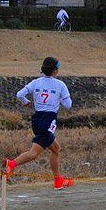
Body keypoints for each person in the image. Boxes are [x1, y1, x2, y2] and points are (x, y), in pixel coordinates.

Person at [6, 57, 74, 190]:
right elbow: (68, 105)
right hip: (49, 121)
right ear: (55, 70)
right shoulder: (60, 85)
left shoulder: (35, 82)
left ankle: (58, 180)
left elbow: (19, 94)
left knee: (56, 149)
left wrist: (26, 102)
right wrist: (59, 98)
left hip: (36, 120)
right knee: (33, 153)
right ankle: (12, 164)